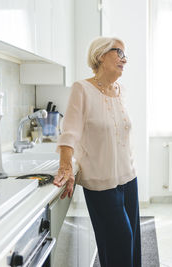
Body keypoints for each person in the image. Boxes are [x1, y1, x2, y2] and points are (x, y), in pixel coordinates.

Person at [53, 37, 141, 267]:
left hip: (129, 178)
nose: (125, 59)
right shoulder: (82, 89)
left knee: (132, 246)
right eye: (119, 53)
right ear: (101, 55)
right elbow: (69, 132)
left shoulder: (121, 90)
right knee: (119, 244)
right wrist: (66, 166)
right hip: (101, 184)